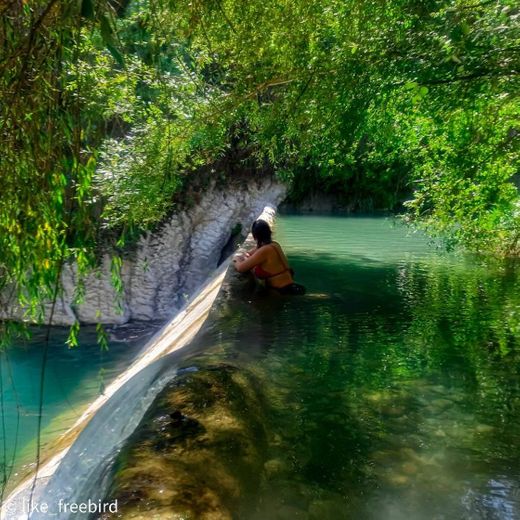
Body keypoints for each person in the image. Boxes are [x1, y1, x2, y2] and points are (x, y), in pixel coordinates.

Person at [233, 219, 306, 295]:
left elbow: (241, 268)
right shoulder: (274, 244)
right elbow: (249, 253)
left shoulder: (264, 250)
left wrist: (236, 259)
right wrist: (247, 256)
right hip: (290, 287)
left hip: (280, 291)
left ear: (255, 236)